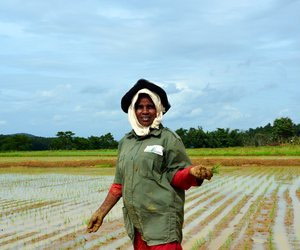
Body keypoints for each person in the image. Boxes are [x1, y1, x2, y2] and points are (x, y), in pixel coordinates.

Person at [87, 79, 213, 249]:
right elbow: (119, 184)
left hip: (162, 222)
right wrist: (101, 212)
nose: (145, 111)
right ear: (133, 110)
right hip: (137, 224)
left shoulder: (168, 139)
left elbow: (175, 176)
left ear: (158, 110)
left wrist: (191, 173)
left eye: (150, 106)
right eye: (139, 106)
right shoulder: (126, 142)